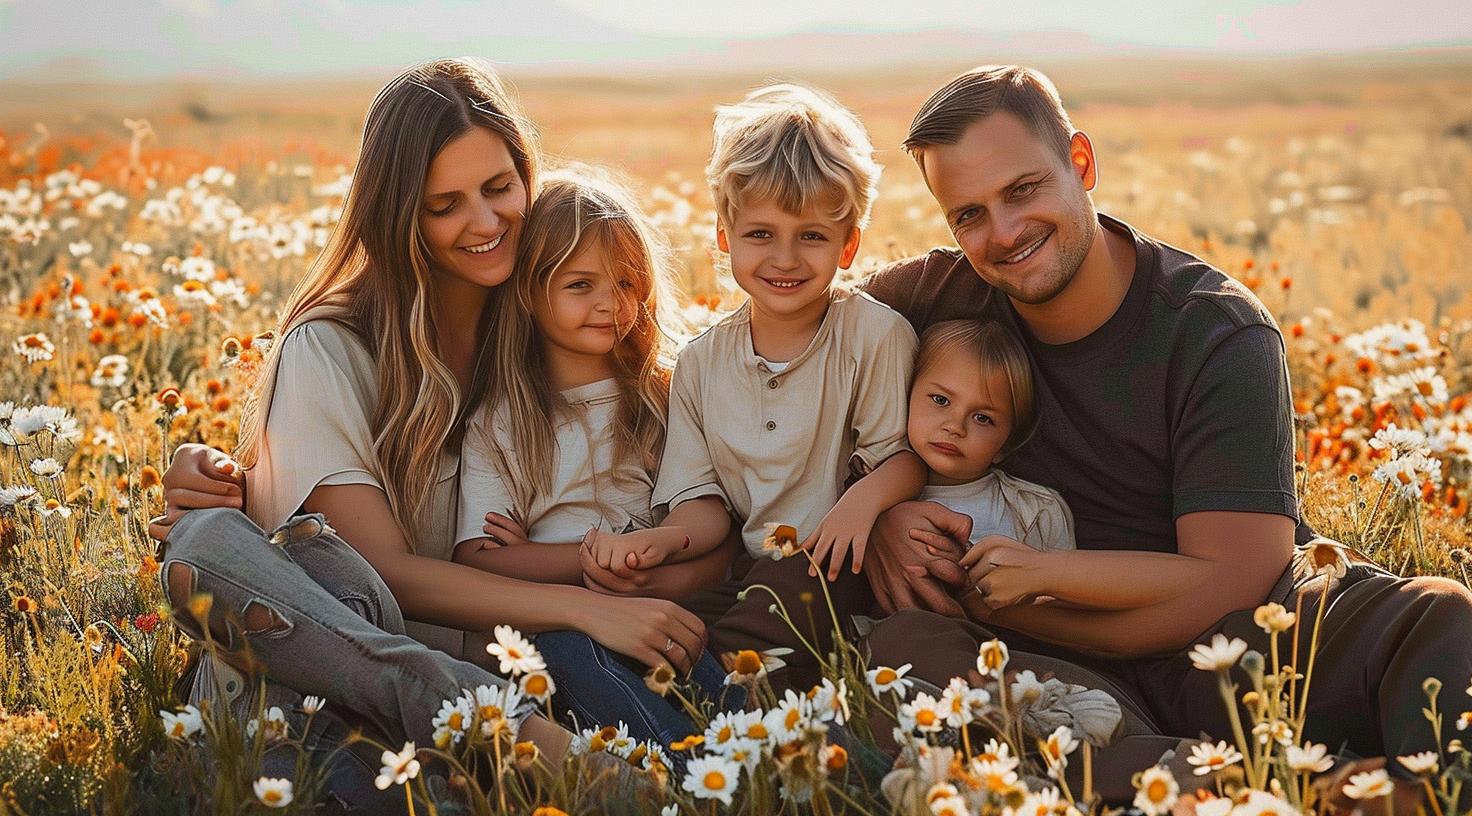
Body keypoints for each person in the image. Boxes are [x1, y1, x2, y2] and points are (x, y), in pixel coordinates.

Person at [858, 64, 1472, 806]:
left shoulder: (1216, 329)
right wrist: (879, 506)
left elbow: (1236, 577)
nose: (1004, 233)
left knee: (1437, 618)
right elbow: (786, 362)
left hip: (1241, 635)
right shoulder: (932, 295)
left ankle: (1352, 787)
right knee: (908, 652)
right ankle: (1301, 789)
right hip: (1038, 660)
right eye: (969, 215)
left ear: (1080, 163)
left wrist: (1041, 604)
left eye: (1023, 191)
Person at [148, 59, 722, 809]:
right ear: (397, 215)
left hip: (507, 672)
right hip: (342, 669)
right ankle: (505, 734)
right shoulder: (331, 347)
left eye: (497, 189)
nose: (483, 224)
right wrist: (588, 603)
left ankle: (491, 744)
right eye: (444, 205)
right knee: (212, 558)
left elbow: (675, 383)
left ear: (527, 176)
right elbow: (378, 573)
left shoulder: (536, 331)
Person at [584, 83, 922, 683]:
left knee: (762, 622)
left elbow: (904, 458)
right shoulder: (700, 364)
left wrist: (857, 508)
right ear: (724, 238)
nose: (785, 259)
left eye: (812, 236)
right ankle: (674, 714)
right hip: (749, 570)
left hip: (839, 564)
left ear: (849, 245)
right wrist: (664, 542)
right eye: (760, 234)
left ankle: (728, 717)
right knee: (671, 621)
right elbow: (703, 503)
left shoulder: (873, 336)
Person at [450, 167, 739, 748]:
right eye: (581, 285)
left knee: (720, 692)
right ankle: (675, 776)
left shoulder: (665, 393)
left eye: (627, 283)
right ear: (531, 292)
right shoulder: (505, 417)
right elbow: (480, 558)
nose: (611, 303)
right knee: (581, 663)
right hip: (558, 621)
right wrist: (593, 565)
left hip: (664, 601)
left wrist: (641, 565)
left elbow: (715, 521)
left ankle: (749, 762)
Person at [905, 319, 1074, 554]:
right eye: (941, 400)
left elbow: (1060, 587)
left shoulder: (1035, 511)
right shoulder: (878, 495)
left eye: (982, 418)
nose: (955, 427)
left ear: (1006, 444)